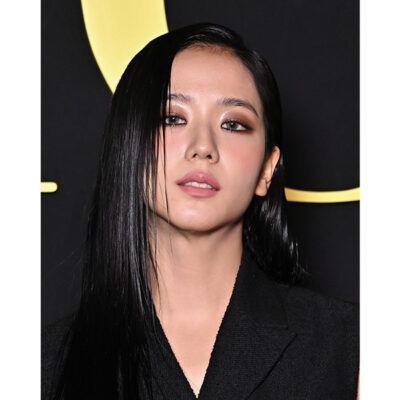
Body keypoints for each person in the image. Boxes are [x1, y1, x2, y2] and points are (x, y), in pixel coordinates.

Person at [42, 23, 359, 399]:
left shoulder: (353, 348)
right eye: (172, 118)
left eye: (233, 124)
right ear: (127, 147)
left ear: (266, 170)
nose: (203, 146)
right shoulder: (42, 366)